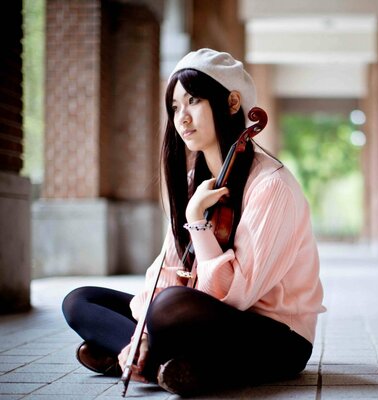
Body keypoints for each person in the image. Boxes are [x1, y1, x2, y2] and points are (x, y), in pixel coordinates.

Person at [62, 48, 326, 396]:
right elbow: (168, 270)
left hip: (274, 337)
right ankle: (155, 360)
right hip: (201, 319)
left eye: (194, 101)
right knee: (80, 301)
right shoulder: (194, 182)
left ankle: (134, 355)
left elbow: (235, 296)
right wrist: (142, 330)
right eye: (174, 107)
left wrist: (196, 222)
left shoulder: (271, 185)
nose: (182, 118)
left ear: (233, 103)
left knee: (170, 307)